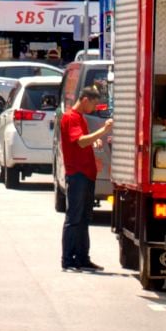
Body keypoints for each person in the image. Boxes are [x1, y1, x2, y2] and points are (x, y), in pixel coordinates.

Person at [59, 82, 114, 272]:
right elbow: (80, 142)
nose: (93, 109)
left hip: (86, 174)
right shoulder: (71, 117)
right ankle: (68, 259)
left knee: (84, 218)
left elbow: (83, 140)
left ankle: (82, 257)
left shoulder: (79, 117)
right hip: (77, 175)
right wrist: (103, 131)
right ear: (84, 100)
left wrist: (95, 139)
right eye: (93, 104)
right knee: (74, 217)